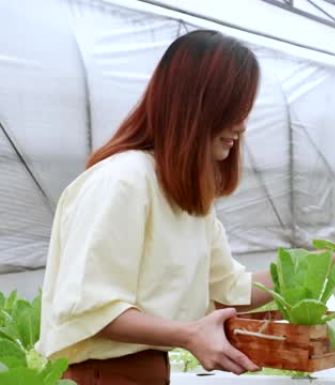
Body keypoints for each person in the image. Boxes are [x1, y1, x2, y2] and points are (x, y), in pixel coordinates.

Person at [36, 30, 276, 385]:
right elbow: (93, 309)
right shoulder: (123, 180)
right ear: (195, 108)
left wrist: (319, 269)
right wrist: (189, 334)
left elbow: (228, 289)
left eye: (244, 111)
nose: (241, 126)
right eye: (231, 110)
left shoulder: (189, 197)